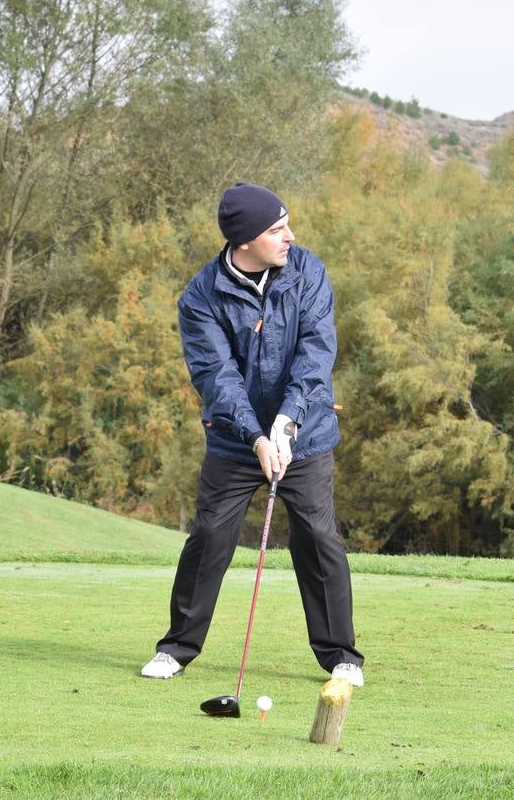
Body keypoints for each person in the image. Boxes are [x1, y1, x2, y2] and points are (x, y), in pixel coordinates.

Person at [141, 182, 364, 687]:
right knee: (210, 536)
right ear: (245, 241)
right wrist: (256, 437)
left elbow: (315, 356)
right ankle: (177, 647)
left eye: (287, 225)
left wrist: (285, 423)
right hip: (234, 441)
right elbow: (216, 378)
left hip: (304, 434)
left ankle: (341, 656)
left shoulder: (308, 272)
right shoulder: (201, 297)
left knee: (317, 537)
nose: (290, 236)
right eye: (277, 229)